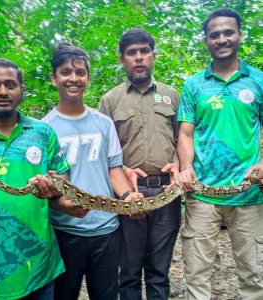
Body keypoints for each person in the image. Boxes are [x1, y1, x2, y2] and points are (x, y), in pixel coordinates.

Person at [0, 58, 72, 299]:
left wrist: (53, 188)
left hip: (40, 266)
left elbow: (62, 178)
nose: (3, 91)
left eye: (10, 84)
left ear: (22, 91)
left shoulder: (42, 132)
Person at [42, 43, 142, 300]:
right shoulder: (43, 129)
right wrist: (61, 203)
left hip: (107, 231)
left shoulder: (103, 123)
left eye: (80, 73)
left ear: (87, 77)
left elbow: (114, 169)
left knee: (106, 295)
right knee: (63, 294)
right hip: (64, 232)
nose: (73, 79)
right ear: (54, 78)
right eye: (65, 72)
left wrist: (128, 195)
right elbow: (44, 185)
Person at [176, 8, 263, 300]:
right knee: (197, 276)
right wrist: (185, 167)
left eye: (228, 32)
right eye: (215, 34)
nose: (222, 39)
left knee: (253, 275)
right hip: (202, 195)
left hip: (249, 195)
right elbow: (185, 133)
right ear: (206, 41)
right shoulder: (194, 85)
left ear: (239, 35)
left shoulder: (258, 81)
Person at [99, 29, 181, 300]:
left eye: (144, 51)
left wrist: (179, 163)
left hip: (167, 193)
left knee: (159, 270)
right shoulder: (110, 101)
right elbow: (103, 153)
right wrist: (122, 172)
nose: (139, 58)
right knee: (130, 271)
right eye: (131, 53)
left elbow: (184, 139)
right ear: (122, 59)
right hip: (129, 194)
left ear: (153, 56)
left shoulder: (172, 96)